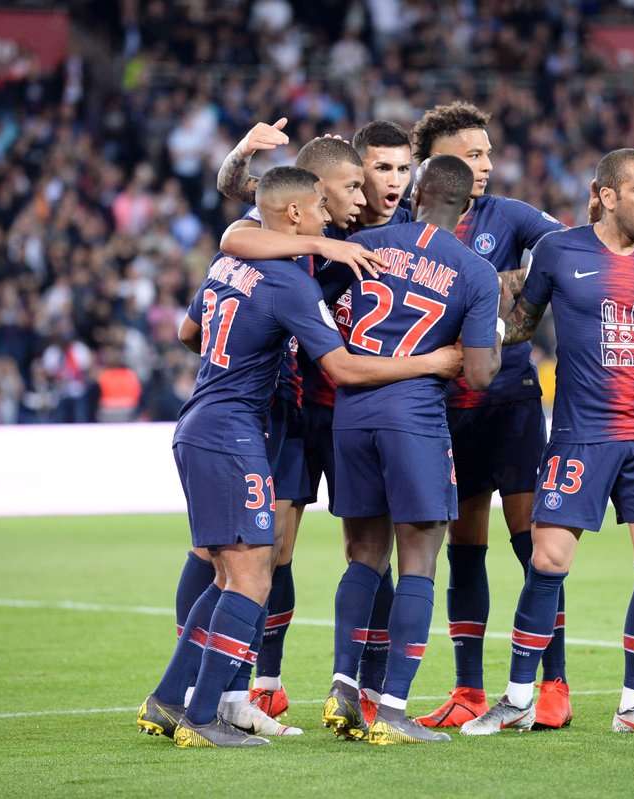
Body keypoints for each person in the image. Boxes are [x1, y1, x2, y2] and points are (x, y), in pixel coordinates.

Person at [135, 166, 463, 749]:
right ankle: (203, 718)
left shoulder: (228, 263)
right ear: (294, 214)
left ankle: (167, 699)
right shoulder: (291, 284)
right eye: (319, 207)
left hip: (199, 422)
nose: (327, 218)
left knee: (228, 572)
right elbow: (342, 369)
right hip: (235, 434)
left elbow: (190, 332)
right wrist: (433, 363)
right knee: (252, 577)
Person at [461, 147, 634, 737]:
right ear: (606, 195)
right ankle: (518, 698)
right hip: (580, 436)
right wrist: (479, 336)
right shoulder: (559, 251)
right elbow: (523, 324)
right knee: (547, 562)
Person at [214, 121, 416, 721]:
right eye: (371, 174)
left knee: (369, 549)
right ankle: (265, 681)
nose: (385, 185)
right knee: (273, 549)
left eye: (399, 171)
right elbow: (235, 227)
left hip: (362, 410)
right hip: (298, 407)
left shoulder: (404, 230)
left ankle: (363, 686)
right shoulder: (307, 226)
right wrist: (242, 156)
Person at [318, 154, 502, 745]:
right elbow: (479, 375)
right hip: (414, 419)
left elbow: (315, 306)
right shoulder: (474, 271)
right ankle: (394, 711)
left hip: (351, 415)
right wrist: (494, 334)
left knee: (363, 557)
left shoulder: (362, 244)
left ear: (416, 193)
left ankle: (344, 688)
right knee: (418, 561)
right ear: (466, 207)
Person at [407, 102, 570, 730]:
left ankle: (553, 684)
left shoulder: (510, 215)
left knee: (533, 544)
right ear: (435, 163)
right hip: (446, 402)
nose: (485, 164)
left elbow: (570, 249)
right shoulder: (406, 221)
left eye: (487, 153)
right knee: (465, 547)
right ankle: (469, 689)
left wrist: (507, 282)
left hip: (511, 398)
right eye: (472, 154)